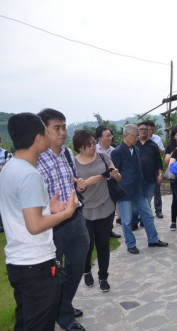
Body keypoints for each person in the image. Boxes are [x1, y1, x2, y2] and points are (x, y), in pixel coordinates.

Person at [0, 113, 78, 331]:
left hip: (19, 262)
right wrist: (66, 212)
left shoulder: (10, 168)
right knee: (39, 325)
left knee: (26, 322)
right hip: (35, 264)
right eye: (46, 131)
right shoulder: (29, 175)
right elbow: (34, 226)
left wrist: (48, 207)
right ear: (38, 138)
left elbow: (20, 210)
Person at [37, 108, 89, 331]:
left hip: (76, 218)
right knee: (54, 272)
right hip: (52, 225)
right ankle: (64, 315)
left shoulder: (67, 154)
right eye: (56, 128)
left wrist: (77, 185)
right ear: (44, 131)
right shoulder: (36, 160)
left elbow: (71, 182)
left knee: (78, 265)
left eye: (64, 126)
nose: (62, 132)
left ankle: (62, 304)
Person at [73, 130, 121, 293]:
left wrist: (115, 174)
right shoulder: (74, 163)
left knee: (103, 244)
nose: (93, 146)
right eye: (89, 144)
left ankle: (103, 277)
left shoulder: (103, 157)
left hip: (105, 207)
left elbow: (117, 176)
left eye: (94, 142)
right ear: (80, 147)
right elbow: (73, 186)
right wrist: (81, 183)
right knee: (87, 244)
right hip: (85, 210)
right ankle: (87, 271)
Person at [111, 124, 168, 254]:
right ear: (126, 135)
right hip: (125, 192)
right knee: (126, 221)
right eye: (135, 135)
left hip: (139, 191)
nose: (137, 137)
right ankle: (130, 244)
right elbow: (115, 174)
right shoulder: (117, 152)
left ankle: (153, 239)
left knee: (148, 215)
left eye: (138, 135)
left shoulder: (136, 149)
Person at [130, 122, 164, 230]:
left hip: (150, 178)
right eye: (141, 129)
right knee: (136, 202)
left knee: (147, 201)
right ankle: (134, 221)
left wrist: (160, 174)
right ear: (137, 130)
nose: (143, 131)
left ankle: (144, 220)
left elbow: (159, 161)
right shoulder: (133, 144)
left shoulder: (153, 145)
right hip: (137, 179)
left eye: (145, 129)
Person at [95, 126, 122, 239]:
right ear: (100, 138)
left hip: (111, 183)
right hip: (97, 183)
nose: (110, 138)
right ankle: (97, 231)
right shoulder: (94, 149)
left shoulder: (114, 150)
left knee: (111, 206)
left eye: (111, 135)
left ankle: (109, 229)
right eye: (107, 136)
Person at [164, 126, 177, 231]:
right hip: (174, 176)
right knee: (175, 199)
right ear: (174, 136)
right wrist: (174, 152)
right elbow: (166, 161)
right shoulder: (170, 146)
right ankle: (173, 221)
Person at [146, 120, 165, 218]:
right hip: (145, 168)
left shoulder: (157, 138)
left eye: (152, 130)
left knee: (157, 189)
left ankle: (158, 210)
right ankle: (147, 211)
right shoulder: (140, 139)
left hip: (156, 167)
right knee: (145, 191)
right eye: (149, 129)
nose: (150, 132)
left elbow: (162, 152)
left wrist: (155, 147)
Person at [0, 134, 13, 232]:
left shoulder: (6, 154)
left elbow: (10, 169)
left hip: (4, 185)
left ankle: (5, 225)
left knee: (5, 206)